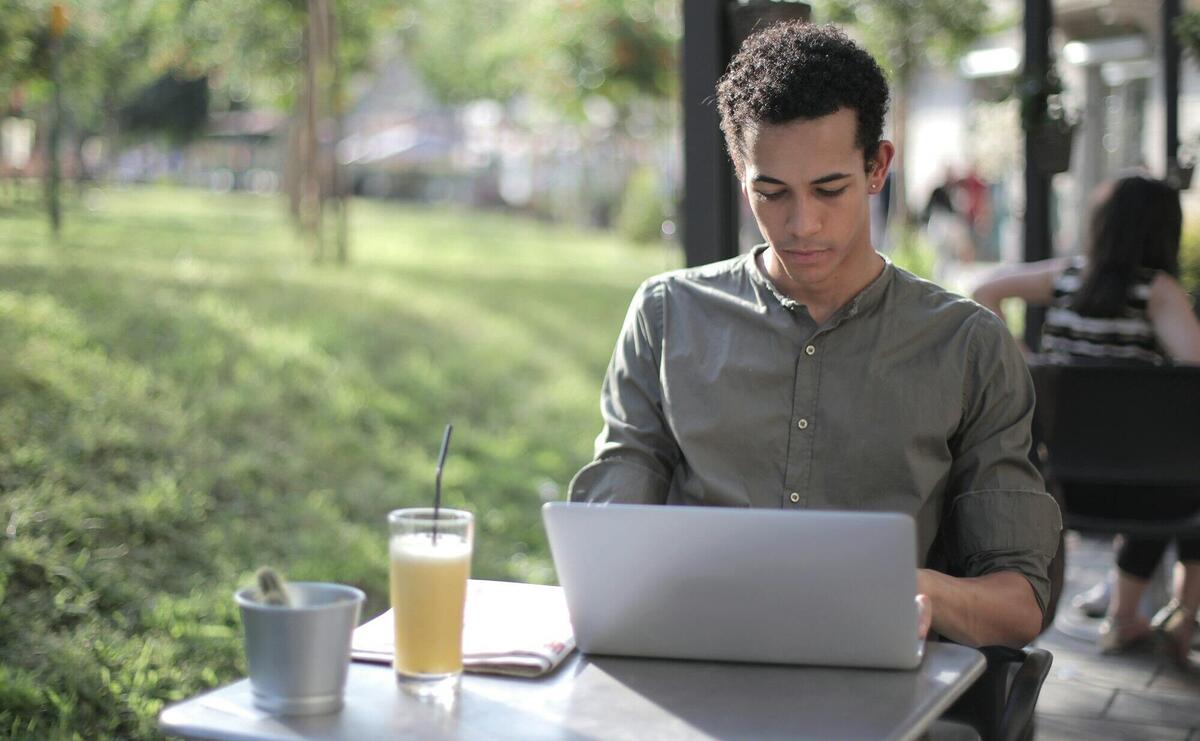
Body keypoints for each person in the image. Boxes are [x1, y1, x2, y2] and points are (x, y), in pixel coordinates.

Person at [569, 22, 1061, 650]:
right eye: (770, 192)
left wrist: (906, 589)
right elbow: (608, 541)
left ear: (877, 166)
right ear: (741, 173)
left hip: (879, 680)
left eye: (830, 189)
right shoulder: (667, 316)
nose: (801, 224)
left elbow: (1018, 606)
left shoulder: (968, 346)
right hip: (697, 662)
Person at [972, 174, 1200, 665]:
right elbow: (1194, 370)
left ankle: (1133, 615)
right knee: (1190, 474)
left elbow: (983, 290)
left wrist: (1026, 360)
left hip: (1060, 482)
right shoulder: (1158, 292)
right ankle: (1167, 615)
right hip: (1148, 493)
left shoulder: (1066, 277)